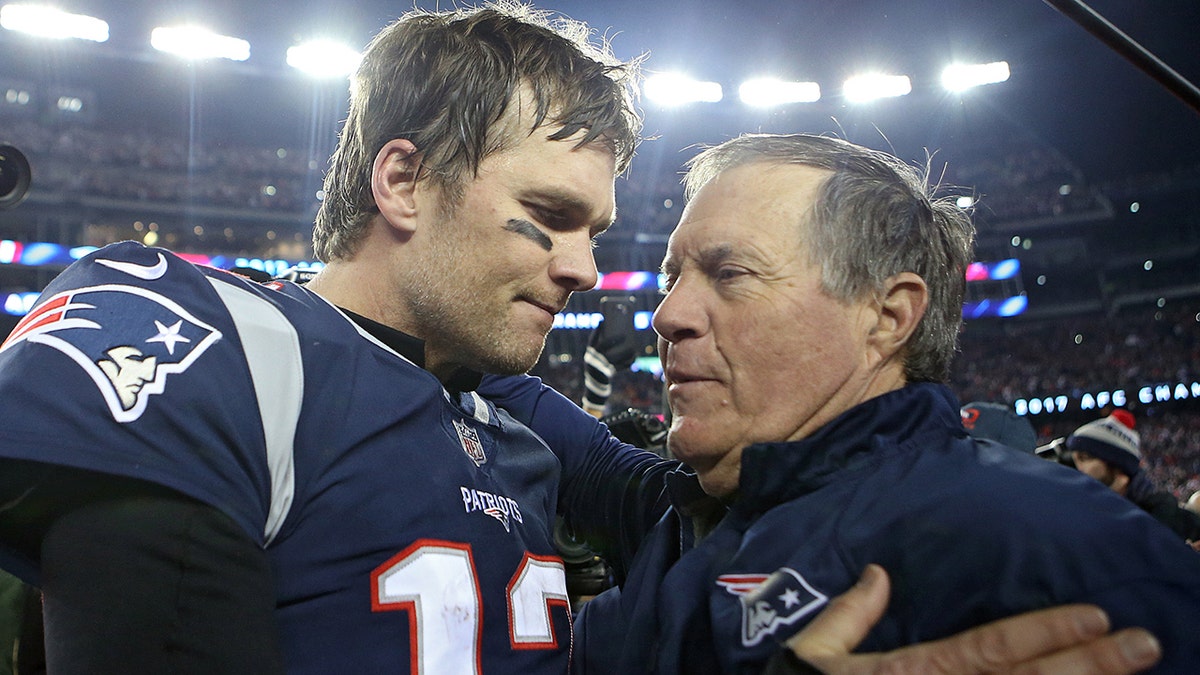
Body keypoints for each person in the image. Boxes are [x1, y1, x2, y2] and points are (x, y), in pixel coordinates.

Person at [0, 4, 1165, 673]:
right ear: (402, 179)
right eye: (550, 217)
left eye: (595, 230)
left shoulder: (516, 417)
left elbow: (777, 481)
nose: (586, 270)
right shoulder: (211, 337)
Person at [551, 133, 1199, 673]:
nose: (668, 315)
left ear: (888, 316)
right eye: (672, 278)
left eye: (729, 274)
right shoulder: (681, 517)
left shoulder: (1066, 560)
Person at [1068, 410, 1200, 542]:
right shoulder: (1082, 513)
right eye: (1075, 461)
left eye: (1084, 458)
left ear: (1116, 463)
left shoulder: (1169, 518)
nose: (1078, 468)